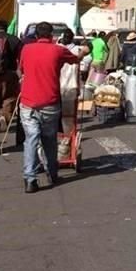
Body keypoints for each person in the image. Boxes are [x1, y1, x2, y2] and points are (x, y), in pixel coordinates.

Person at [18, 22, 87, 193]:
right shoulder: (58, 50)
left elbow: (22, 69)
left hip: (28, 102)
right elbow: (76, 59)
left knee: (31, 139)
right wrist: (85, 51)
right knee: (49, 139)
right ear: (52, 36)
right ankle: (52, 171)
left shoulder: (26, 49)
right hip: (50, 101)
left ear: (36, 36)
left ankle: (30, 178)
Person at [0, 19, 24, 135]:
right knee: (9, 97)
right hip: (10, 73)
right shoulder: (15, 40)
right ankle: (4, 116)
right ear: (7, 28)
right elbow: (21, 57)